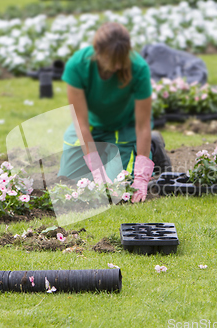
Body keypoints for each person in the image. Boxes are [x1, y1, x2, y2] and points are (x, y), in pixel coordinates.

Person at [58, 22, 172, 203]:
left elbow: (143, 125)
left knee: (116, 190)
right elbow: (81, 122)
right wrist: (96, 168)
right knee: (71, 182)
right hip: (91, 125)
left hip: (124, 127)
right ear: (98, 52)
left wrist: (141, 175)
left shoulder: (138, 68)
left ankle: (152, 145)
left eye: (122, 58)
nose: (119, 65)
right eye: (113, 59)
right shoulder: (77, 66)